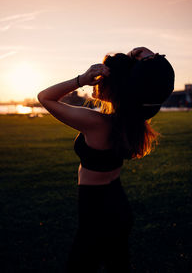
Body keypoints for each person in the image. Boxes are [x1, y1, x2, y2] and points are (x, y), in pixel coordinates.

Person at [37, 46, 175, 273]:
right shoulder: (133, 117)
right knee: (118, 266)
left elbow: (45, 97)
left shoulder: (98, 123)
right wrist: (133, 58)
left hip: (97, 210)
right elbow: (151, 75)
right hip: (117, 204)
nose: (97, 81)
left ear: (113, 86)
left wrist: (82, 79)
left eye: (100, 78)